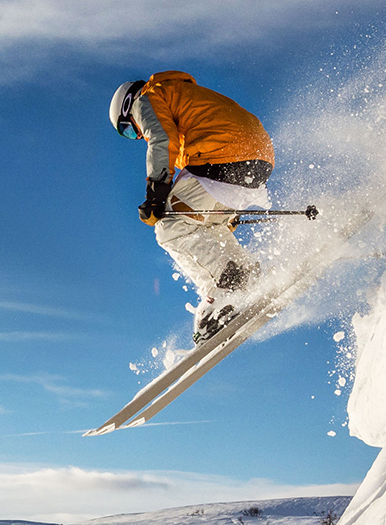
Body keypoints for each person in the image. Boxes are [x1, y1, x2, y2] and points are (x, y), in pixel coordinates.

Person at [109, 71, 276, 342]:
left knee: (169, 227)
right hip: (259, 157)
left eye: (128, 129)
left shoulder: (148, 97)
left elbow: (161, 139)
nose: (136, 136)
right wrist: (225, 211)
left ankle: (226, 285)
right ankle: (244, 276)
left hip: (224, 155)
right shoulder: (179, 96)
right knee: (206, 226)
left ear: (127, 107)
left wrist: (156, 195)